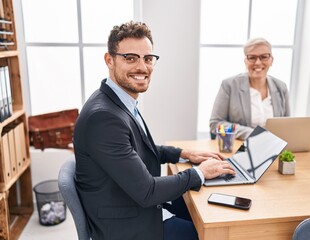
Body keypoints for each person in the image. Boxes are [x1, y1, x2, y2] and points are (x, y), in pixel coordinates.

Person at [73, 21, 235, 240]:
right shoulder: (104, 117)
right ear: (109, 60)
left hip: (134, 207)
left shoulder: (117, 102)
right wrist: (200, 172)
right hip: (129, 227)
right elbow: (147, 191)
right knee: (218, 232)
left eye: (148, 59)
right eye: (130, 58)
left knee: (212, 209)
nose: (142, 67)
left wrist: (183, 154)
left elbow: (138, 149)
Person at [209, 37, 290, 140]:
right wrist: (251, 134)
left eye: (264, 57)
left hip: (273, 148)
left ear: (271, 60)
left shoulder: (281, 87)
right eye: (252, 57)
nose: (258, 63)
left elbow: (287, 125)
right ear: (245, 61)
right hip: (239, 148)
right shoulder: (229, 85)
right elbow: (215, 124)